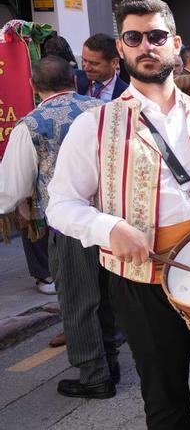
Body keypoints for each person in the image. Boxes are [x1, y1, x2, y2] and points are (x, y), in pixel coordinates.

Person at [46, 0, 190, 429]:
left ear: (175, 43)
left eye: (156, 35)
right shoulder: (94, 125)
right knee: (164, 399)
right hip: (143, 282)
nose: (147, 45)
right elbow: (60, 204)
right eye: (134, 37)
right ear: (122, 48)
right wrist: (108, 228)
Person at [0, 56, 120, 397]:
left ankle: (95, 375)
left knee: (79, 301)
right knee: (109, 296)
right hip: (113, 221)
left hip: (70, 226)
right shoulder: (105, 109)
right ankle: (109, 360)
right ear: (74, 79)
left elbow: (10, 189)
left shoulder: (31, 124)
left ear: (34, 87)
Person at [75, 33, 129, 101]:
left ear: (114, 63)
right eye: (84, 60)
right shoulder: (74, 79)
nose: (86, 68)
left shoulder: (126, 94)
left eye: (94, 63)